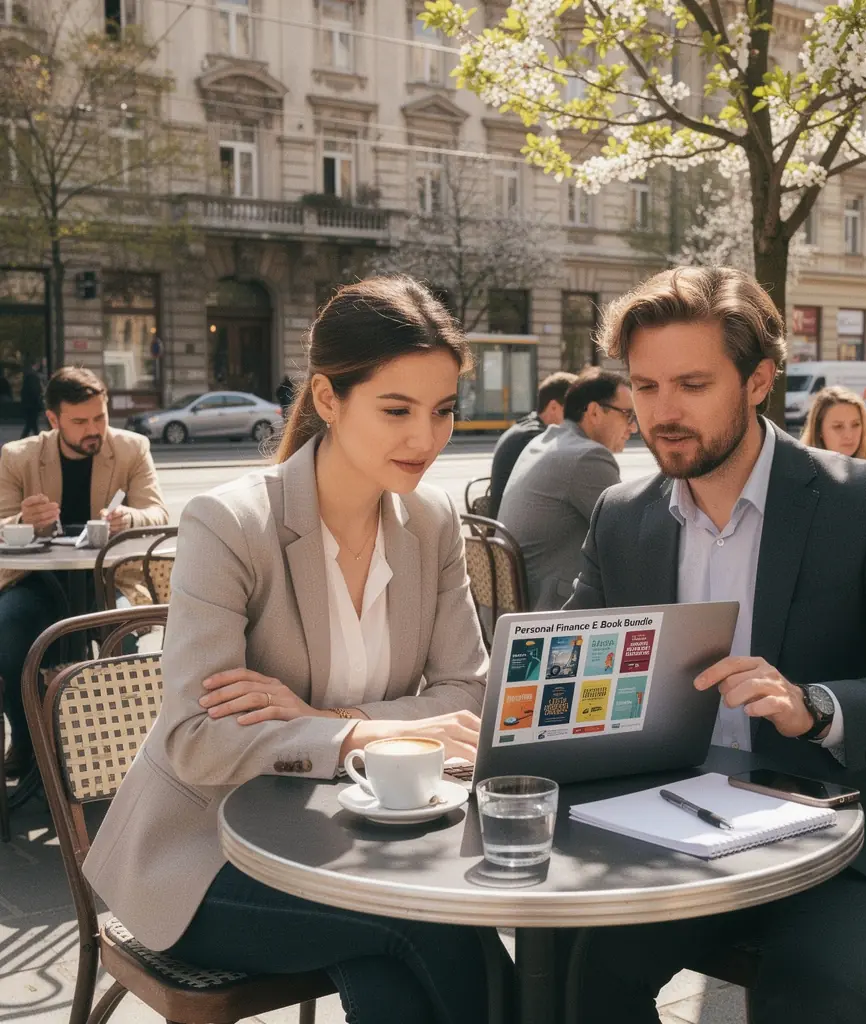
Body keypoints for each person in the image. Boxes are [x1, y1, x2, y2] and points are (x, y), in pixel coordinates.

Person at [560, 266, 866, 1024]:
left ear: (759, 380)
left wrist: (816, 707)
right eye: (647, 387)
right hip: (670, 827)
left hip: (856, 842)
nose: (664, 412)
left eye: (692, 385)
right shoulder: (622, 514)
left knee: (811, 999)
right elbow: (569, 669)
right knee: (562, 975)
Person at [83, 277, 507, 1024]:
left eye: (443, 410)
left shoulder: (432, 520)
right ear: (328, 398)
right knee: (425, 923)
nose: (427, 438)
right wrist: (363, 734)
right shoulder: (231, 523)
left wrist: (321, 717)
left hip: (364, 835)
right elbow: (196, 738)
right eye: (397, 410)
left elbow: (466, 696)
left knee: (397, 958)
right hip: (207, 855)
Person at [0, 366, 168, 778]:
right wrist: (23, 521)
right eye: (80, 421)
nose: (94, 429)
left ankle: (119, 750)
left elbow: (158, 513)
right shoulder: (18, 456)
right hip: (36, 581)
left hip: (108, 580)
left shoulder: (131, 448)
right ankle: (27, 741)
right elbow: (1, 525)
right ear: (53, 419)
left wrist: (129, 518)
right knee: (9, 629)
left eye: (100, 417)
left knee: (126, 636)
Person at [497, 367, 636, 610]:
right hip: (550, 609)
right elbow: (629, 533)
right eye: (628, 415)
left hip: (509, 604)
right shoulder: (587, 456)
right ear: (594, 412)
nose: (633, 427)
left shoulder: (544, 441)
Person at [488, 371, 577, 517]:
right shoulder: (536, 439)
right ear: (554, 407)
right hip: (513, 527)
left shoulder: (525, 427)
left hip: (503, 523)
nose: (578, 418)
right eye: (575, 410)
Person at [800, 385, 866, 462]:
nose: (849, 435)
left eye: (856, 424)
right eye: (838, 426)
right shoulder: (802, 468)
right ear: (819, 430)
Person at [20, 361, 43, 438]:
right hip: (32, 405)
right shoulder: (33, 377)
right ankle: (38, 439)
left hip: (29, 404)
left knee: (31, 424)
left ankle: (38, 438)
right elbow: (35, 391)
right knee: (31, 424)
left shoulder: (29, 376)